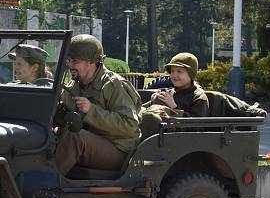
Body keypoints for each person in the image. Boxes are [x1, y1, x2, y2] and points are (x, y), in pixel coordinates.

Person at [55, 34, 142, 176]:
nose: (70, 65)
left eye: (75, 61)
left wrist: (91, 110)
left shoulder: (113, 85)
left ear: (91, 62)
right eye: (69, 60)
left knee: (75, 138)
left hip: (119, 149)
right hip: (93, 142)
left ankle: (48, 185)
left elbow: (130, 125)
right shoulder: (73, 86)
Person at [143, 52, 209, 117]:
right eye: (172, 71)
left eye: (179, 71)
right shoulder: (168, 94)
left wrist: (174, 107)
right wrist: (153, 102)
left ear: (191, 74)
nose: (174, 75)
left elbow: (196, 125)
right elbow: (141, 112)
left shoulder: (199, 98)